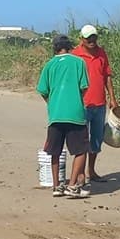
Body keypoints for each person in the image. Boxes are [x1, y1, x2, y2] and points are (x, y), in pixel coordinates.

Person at [36, 34, 91, 198]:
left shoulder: (49, 65)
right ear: (70, 47)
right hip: (75, 113)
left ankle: (56, 186)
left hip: (56, 114)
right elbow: (84, 87)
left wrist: (52, 104)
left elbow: (43, 91)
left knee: (55, 151)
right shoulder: (79, 62)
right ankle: (72, 185)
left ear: (55, 48)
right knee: (81, 150)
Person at [72, 24, 117, 182]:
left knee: (96, 139)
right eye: (88, 38)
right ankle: (80, 172)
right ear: (81, 39)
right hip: (82, 104)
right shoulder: (75, 55)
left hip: (99, 104)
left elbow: (107, 77)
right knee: (82, 139)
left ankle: (91, 170)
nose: (92, 40)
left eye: (94, 37)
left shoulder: (101, 53)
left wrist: (112, 98)